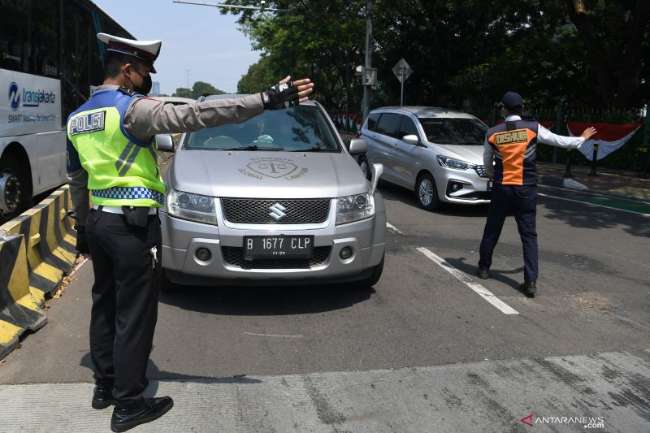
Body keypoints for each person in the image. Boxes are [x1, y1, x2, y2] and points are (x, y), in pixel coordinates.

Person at [66, 32, 314, 432]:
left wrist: (81, 225)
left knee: (104, 304)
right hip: (132, 227)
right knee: (135, 313)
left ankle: (105, 385)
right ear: (127, 71)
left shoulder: (78, 117)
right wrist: (266, 99)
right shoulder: (134, 111)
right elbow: (199, 114)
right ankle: (129, 403)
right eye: (144, 70)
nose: (146, 77)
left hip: (98, 223)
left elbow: (76, 179)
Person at [477, 91, 596, 298]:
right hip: (526, 188)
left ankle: (484, 268)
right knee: (529, 236)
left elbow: (487, 162)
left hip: (502, 187)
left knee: (492, 229)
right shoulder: (533, 128)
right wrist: (582, 138)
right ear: (522, 109)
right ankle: (530, 281)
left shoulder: (492, 132)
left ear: (503, 110)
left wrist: (492, 176)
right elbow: (559, 141)